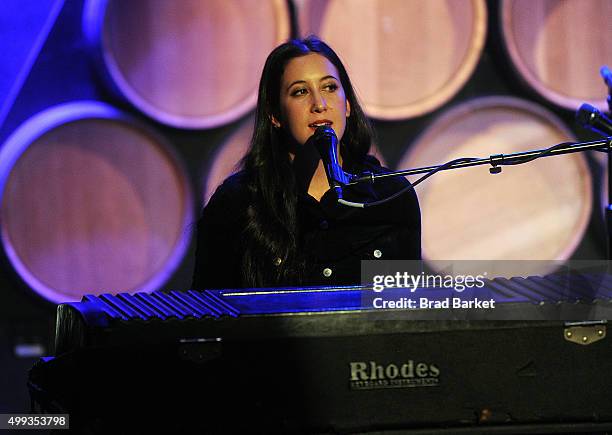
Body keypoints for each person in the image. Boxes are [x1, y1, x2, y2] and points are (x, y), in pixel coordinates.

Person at [192, 36, 420, 290]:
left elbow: (402, 313)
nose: (319, 104)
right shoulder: (237, 202)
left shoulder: (391, 195)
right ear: (275, 115)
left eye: (330, 88)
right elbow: (207, 316)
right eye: (300, 92)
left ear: (347, 105)